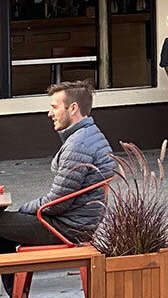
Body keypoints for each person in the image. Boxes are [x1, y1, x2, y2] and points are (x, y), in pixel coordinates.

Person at [0, 82, 117, 296]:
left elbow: (59, 201)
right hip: (77, 222)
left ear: (72, 108)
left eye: (55, 107)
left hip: (66, 228)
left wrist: (26, 208)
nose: (49, 113)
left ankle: (16, 294)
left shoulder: (78, 144)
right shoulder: (89, 135)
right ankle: (15, 293)